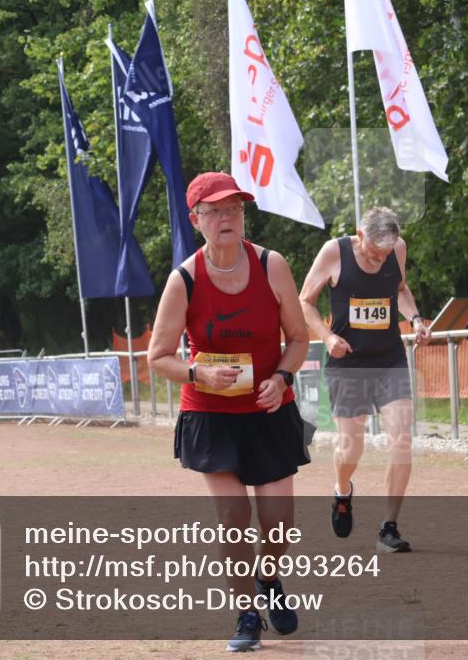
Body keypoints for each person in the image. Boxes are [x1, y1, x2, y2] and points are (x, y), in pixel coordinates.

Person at [147, 172, 310, 652]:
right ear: (196, 220)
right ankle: (246, 613)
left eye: (234, 209)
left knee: (279, 521)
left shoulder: (271, 265)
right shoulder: (184, 280)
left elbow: (299, 339)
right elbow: (158, 356)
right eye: (215, 211)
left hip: (269, 410)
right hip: (210, 415)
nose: (227, 218)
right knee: (235, 514)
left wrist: (281, 378)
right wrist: (198, 374)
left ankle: (268, 578)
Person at [299, 207, 431, 553]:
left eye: (386, 252)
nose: (380, 258)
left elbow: (400, 289)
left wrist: (415, 319)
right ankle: (342, 491)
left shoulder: (396, 249)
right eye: (374, 251)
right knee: (352, 445)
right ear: (360, 235)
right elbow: (305, 302)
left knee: (402, 439)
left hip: (389, 359)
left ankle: (389, 527)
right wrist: (328, 337)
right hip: (348, 362)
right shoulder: (334, 252)